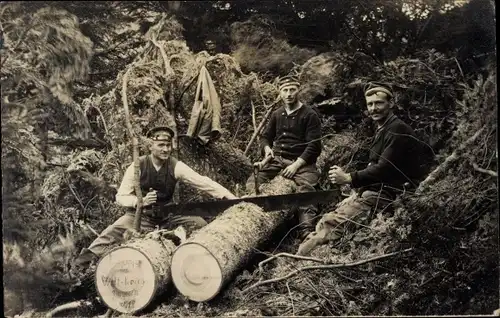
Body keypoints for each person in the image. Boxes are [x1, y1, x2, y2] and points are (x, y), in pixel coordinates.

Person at [75, 126, 237, 266]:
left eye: (168, 145)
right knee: (110, 233)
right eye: (160, 145)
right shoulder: (137, 166)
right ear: (151, 146)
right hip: (140, 217)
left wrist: (230, 198)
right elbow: (121, 196)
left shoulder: (175, 166)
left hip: (168, 216)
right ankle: (80, 269)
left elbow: (203, 182)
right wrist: (140, 201)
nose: (165, 149)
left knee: (200, 225)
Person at [297, 82, 425, 255]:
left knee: (330, 223)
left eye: (379, 103)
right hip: (376, 193)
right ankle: (308, 257)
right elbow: (375, 168)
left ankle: (295, 264)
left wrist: (349, 178)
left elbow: (384, 169)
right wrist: (355, 194)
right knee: (324, 220)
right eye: (370, 104)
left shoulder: (397, 129)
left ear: (391, 103)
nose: (374, 108)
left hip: (390, 196)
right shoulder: (383, 129)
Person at [245, 74, 322, 238]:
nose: (288, 94)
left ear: (298, 90)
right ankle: (252, 218)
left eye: (292, 90)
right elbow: (265, 137)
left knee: (306, 191)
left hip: (302, 162)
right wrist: (267, 149)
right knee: (254, 180)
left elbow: (314, 146)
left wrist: (296, 165)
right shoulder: (277, 114)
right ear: (280, 93)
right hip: (277, 159)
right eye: (285, 90)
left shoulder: (309, 115)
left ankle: (306, 230)